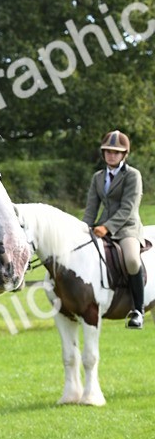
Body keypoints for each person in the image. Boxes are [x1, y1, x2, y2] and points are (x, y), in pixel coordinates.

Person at [83, 129, 146, 329]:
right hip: (101, 226)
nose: (111, 155)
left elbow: (128, 208)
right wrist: (84, 228)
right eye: (108, 151)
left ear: (124, 154)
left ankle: (138, 311)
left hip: (127, 228)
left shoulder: (133, 175)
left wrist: (107, 227)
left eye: (116, 152)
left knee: (132, 260)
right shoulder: (98, 177)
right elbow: (91, 207)